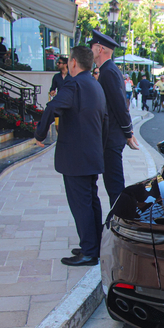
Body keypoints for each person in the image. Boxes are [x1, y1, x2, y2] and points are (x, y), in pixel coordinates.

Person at [34, 46, 107, 267]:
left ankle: (89, 252)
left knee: (81, 204)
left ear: (73, 62)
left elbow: (52, 106)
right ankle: (94, 246)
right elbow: (105, 121)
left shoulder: (74, 85)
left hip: (77, 158)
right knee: (91, 202)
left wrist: (40, 133)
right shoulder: (95, 85)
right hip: (92, 155)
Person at [89, 30, 140, 208]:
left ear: (100, 49)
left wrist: (128, 131)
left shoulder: (108, 72)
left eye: (92, 46)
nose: (90, 50)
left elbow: (119, 105)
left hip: (111, 137)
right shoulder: (107, 70)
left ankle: (121, 221)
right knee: (113, 184)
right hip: (111, 136)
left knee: (114, 186)